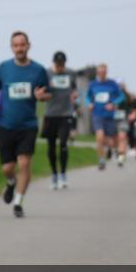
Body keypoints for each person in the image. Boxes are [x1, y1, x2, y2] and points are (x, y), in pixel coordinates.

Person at [0, 31, 50, 217]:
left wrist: (41, 96)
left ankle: (18, 202)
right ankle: (11, 182)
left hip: (27, 125)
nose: (19, 48)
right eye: (16, 45)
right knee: (7, 168)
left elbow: (48, 93)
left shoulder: (38, 70)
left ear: (28, 46)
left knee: (24, 163)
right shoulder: (4, 68)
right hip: (6, 125)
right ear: (11, 47)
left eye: (22, 45)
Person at [42, 51, 77, 190]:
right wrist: (47, 88)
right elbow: (41, 90)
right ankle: (54, 175)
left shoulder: (71, 73)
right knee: (51, 146)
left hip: (66, 113)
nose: (60, 67)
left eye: (62, 64)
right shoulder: (47, 74)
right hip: (50, 114)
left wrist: (74, 95)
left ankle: (63, 174)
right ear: (54, 63)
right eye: (58, 64)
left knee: (63, 144)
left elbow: (74, 89)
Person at [86, 64, 126, 170]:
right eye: (100, 72)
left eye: (104, 72)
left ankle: (115, 151)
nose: (102, 74)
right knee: (99, 136)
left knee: (112, 142)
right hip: (97, 115)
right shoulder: (93, 84)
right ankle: (101, 160)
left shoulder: (112, 84)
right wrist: (89, 104)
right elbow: (88, 97)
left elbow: (121, 96)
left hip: (110, 116)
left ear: (106, 72)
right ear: (97, 73)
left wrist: (113, 103)